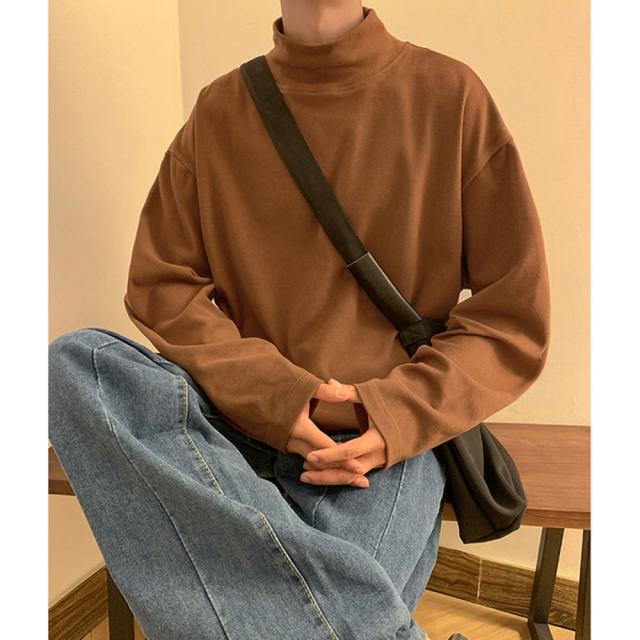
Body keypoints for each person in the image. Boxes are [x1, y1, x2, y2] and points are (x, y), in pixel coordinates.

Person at [49, 2, 550, 639]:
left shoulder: (451, 96)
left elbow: (512, 315)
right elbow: (162, 284)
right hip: (231, 428)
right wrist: (277, 398)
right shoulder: (221, 109)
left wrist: (392, 415)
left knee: (298, 611)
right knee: (78, 363)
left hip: (375, 448)